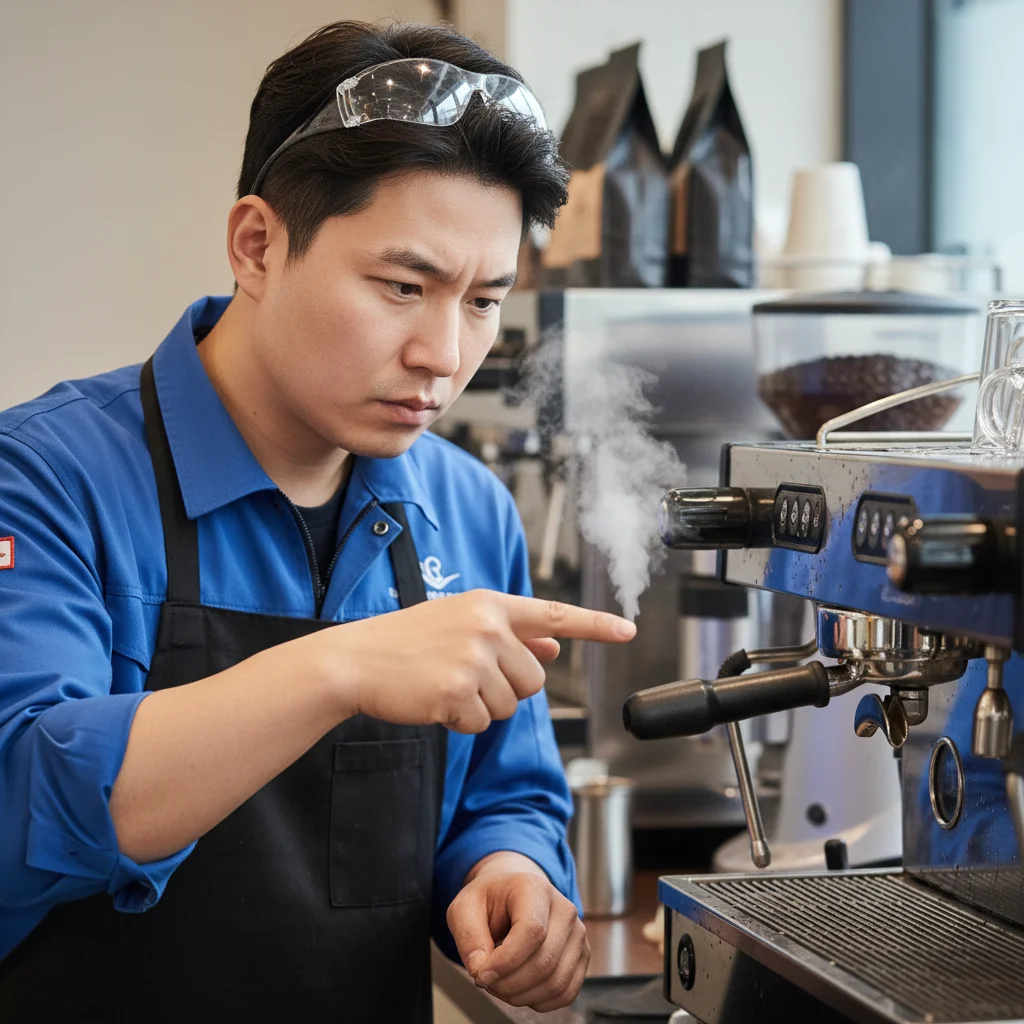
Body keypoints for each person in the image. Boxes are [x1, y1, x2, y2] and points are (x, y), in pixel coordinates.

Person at [0, 19, 637, 1021]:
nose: (442, 353)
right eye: (402, 286)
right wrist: (339, 665)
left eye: (484, 301)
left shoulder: (466, 508)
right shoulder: (45, 477)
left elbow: (501, 791)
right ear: (257, 244)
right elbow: (18, 806)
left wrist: (508, 872)